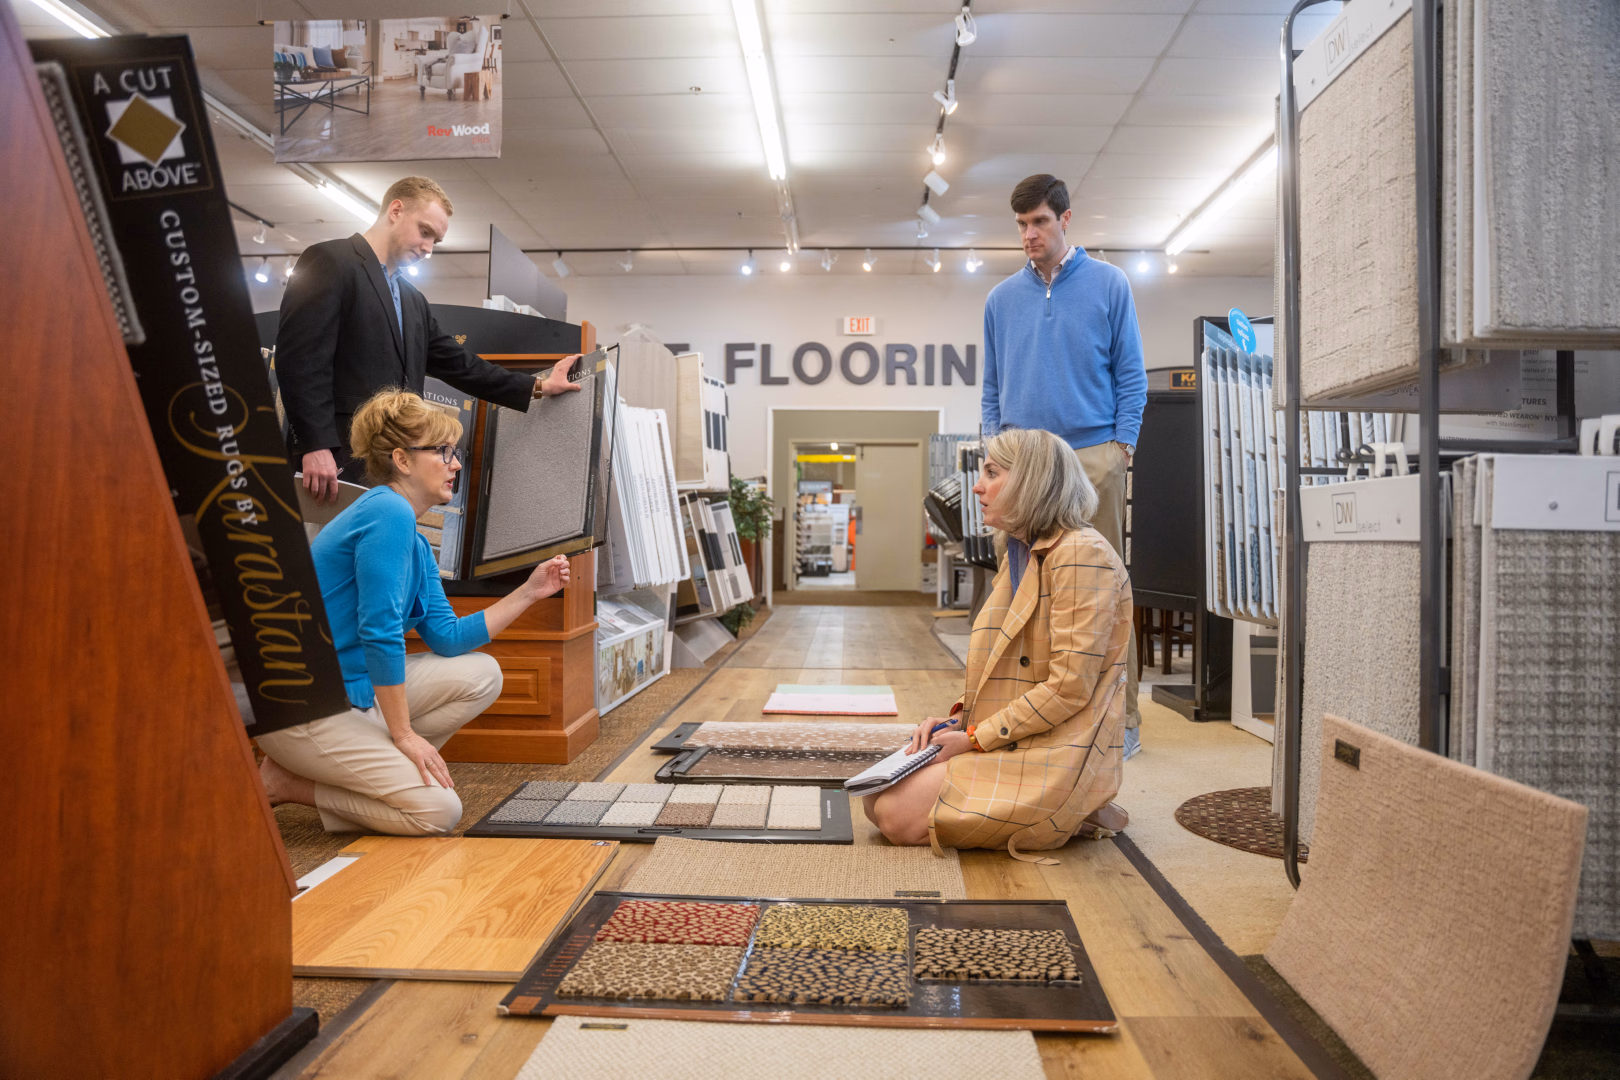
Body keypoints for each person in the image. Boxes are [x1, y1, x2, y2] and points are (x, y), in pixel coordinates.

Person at [256, 389, 571, 835]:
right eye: (443, 452)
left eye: (454, 452)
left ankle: (377, 768)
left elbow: (447, 637)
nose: (455, 464)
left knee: (482, 673)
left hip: (351, 691)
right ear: (402, 460)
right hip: (306, 702)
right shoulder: (388, 512)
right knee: (439, 813)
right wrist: (404, 735)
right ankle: (286, 783)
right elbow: (379, 630)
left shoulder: (414, 537)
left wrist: (529, 592)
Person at [863, 428, 1132, 863]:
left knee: (894, 815)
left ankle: (1079, 805)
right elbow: (1010, 668)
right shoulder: (1019, 551)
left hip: (1059, 746)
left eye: (992, 472)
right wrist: (957, 722)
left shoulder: (1082, 554)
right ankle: (1076, 811)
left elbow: (1070, 687)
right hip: (1021, 733)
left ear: (1032, 481)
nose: (976, 485)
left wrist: (975, 738)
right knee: (875, 799)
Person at [276, 175, 580, 504]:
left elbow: (460, 364)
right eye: (424, 232)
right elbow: (301, 361)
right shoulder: (330, 261)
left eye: (435, 240)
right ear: (396, 210)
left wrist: (537, 386)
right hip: (338, 461)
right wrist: (315, 445)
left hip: (396, 465)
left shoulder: (412, 299)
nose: (428, 249)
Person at [981, 173, 1148, 757]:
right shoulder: (1000, 299)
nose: (1029, 234)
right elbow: (992, 387)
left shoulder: (1109, 284)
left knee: (1100, 593)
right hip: (1023, 463)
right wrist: (993, 454)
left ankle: (1117, 725)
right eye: (1022, 224)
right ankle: (1020, 718)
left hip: (1093, 456)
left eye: (1040, 222)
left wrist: (1121, 447)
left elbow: (1131, 374)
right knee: (1019, 596)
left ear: (1065, 219)